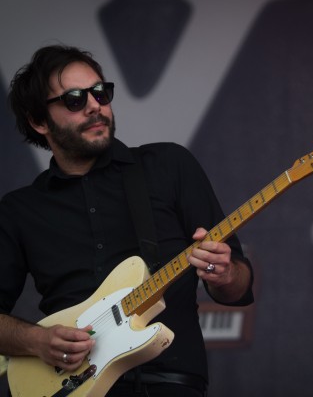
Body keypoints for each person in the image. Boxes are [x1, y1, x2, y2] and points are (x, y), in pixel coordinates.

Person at [0, 44, 254, 396]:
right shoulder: (19, 210)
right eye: (74, 99)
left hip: (170, 383)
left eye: (101, 93)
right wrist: (35, 340)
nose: (94, 105)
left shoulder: (169, 166)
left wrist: (224, 274)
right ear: (38, 120)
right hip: (70, 387)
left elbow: (237, 288)